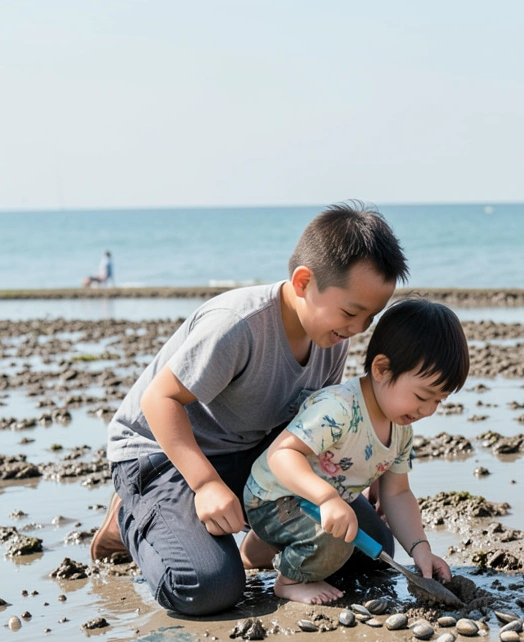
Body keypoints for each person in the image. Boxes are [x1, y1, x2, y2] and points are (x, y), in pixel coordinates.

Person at [92, 202, 404, 617]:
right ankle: (132, 515)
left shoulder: (331, 337)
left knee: (371, 548)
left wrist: (364, 479)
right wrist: (205, 485)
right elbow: (158, 400)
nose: (357, 329)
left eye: (369, 318)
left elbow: (314, 430)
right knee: (207, 587)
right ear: (303, 281)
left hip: (255, 455)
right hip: (165, 453)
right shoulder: (238, 324)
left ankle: (259, 540)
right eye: (351, 312)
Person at [239, 299, 467, 605]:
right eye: (422, 396)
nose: (428, 410)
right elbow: (282, 454)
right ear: (382, 369)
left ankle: (262, 547)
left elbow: (397, 494)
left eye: (439, 401)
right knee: (336, 543)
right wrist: (327, 498)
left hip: (318, 503)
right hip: (273, 497)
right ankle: (289, 580)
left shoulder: (401, 428)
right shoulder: (339, 408)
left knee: (375, 550)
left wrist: (420, 548)